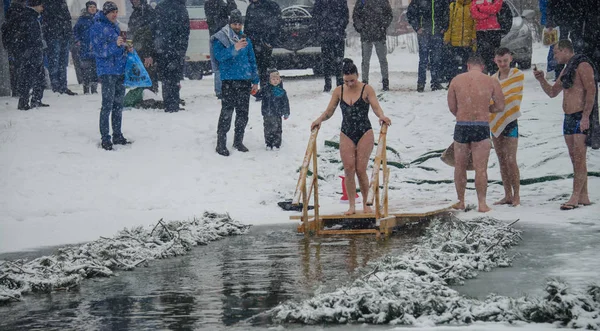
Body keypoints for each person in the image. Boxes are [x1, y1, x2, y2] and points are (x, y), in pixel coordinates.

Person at [311, 59, 392, 215]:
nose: (349, 84)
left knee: (361, 169)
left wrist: (382, 116)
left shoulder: (367, 89)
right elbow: (329, 111)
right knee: (349, 168)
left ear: (358, 75)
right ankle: (352, 206)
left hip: (365, 131)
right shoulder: (339, 91)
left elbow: (375, 106)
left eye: (352, 80)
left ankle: (366, 204)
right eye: (346, 81)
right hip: (346, 132)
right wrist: (319, 120)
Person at [533, 40, 598, 210]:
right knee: (573, 157)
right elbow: (553, 92)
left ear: (564, 50)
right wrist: (541, 80)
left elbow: (591, 90)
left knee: (579, 157)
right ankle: (583, 195)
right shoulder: (567, 68)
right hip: (568, 117)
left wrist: (586, 116)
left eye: (556, 53)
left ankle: (575, 196)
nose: (554, 56)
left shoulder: (582, 64)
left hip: (580, 116)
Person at [447, 54, 504, 212]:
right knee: (481, 169)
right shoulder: (491, 81)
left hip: (462, 125)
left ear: (468, 66)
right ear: (483, 67)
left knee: (459, 167)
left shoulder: (457, 80)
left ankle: (461, 201)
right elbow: (500, 105)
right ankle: (482, 203)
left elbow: (452, 106)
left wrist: (463, 113)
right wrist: (486, 109)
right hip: (481, 125)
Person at [212, 9, 260, 156]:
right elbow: (219, 57)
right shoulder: (221, 38)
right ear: (230, 23)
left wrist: (255, 80)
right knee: (227, 112)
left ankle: (238, 141)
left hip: (244, 80)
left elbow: (252, 61)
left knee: (243, 113)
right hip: (229, 81)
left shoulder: (247, 40)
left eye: (239, 24)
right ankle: (221, 144)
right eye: (234, 23)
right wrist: (234, 48)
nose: (237, 26)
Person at [91, 1, 132, 151]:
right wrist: (116, 44)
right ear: (106, 13)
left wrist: (126, 47)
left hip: (119, 69)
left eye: (116, 11)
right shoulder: (97, 27)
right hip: (107, 71)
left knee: (118, 105)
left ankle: (117, 134)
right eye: (112, 12)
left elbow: (116, 48)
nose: (115, 14)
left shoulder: (115, 26)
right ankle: (105, 138)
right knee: (107, 105)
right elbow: (98, 51)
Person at [491, 48, 524, 206]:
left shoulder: (517, 74)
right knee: (502, 160)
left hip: (511, 121)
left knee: (511, 159)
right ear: (495, 61)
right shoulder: (492, 79)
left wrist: (498, 104)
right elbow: (491, 99)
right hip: (495, 121)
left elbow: (512, 96)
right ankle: (507, 194)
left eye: (505, 60)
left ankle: (517, 194)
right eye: (499, 61)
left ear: (510, 58)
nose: (503, 64)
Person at [153, 0, 190, 113]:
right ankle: (173, 103)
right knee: (174, 77)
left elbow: (154, 29)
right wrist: (182, 50)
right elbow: (185, 32)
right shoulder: (181, 8)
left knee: (166, 78)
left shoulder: (160, 7)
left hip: (162, 49)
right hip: (175, 49)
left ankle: (168, 102)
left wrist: (157, 48)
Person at [407, 0, 450, 92]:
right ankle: (421, 83)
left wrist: (444, 27)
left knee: (436, 60)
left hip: (437, 33)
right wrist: (417, 27)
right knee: (424, 60)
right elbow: (410, 14)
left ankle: (435, 83)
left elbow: (446, 13)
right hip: (424, 34)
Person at [13, 0, 47, 110]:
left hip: (32, 52)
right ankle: (27, 101)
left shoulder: (30, 16)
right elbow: (32, 37)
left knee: (35, 76)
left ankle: (31, 100)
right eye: (41, 5)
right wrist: (36, 47)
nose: (43, 7)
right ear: (35, 6)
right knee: (30, 77)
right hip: (32, 52)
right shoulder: (30, 17)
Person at [352, 0, 393, 91]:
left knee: (382, 60)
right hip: (367, 34)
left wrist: (383, 26)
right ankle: (365, 82)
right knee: (366, 61)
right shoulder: (362, 1)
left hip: (379, 34)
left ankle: (385, 82)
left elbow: (389, 14)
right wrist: (360, 28)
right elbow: (356, 15)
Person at [244, 0, 281, 92]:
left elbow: (277, 24)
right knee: (258, 67)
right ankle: (261, 89)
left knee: (267, 67)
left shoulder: (271, 6)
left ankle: (269, 89)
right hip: (254, 42)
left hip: (266, 42)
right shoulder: (251, 7)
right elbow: (247, 26)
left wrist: (271, 40)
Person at [313, 0, 349, 92]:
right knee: (327, 61)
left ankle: (339, 83)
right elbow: (316, 16)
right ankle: (328, 84)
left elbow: (345, 15)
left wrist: (340, 27)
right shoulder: (321, 2)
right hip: (327, 34)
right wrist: (321, 29)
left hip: (336, 34)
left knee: (338, 60)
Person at [42, 0, 76, 95]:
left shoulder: (61, 3)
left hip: (62, 34)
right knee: (55, 61)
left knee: (62, 62)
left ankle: (62, 86)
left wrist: (68, 34)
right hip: (54, 35)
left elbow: (67, 19)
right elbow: (48, 20)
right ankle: (56, 86)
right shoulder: (50, 3)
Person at [205, 0, 237, 98]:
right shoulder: (220, 5)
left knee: (218, 65)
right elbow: (232, 11)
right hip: (222, 36)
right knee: (223, 63)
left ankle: (220, 90)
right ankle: (223, 89)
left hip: (215, 35)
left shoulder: (208, 4)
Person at [255, 68, 290, 149]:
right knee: (267, 129)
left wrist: (286, 112)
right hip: (267, 113)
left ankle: (276, 143)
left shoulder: (282, 92)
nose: (275, 81)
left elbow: (285, 103)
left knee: (277, 128)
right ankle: (268, 143)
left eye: (277, 79)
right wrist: (254, 92)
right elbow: (258, 94)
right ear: (270, 80)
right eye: (273, 79)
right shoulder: (265, 89)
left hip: (277, 113)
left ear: (280, 80)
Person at [443, 0, 476, 83]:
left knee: (467, 64)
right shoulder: (453, 6)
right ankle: (453, 82)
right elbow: (449, 24)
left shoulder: (473, 5)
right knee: (453, 64)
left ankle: (466, 82)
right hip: (454, 41)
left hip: (468, 42)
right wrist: (447, 38)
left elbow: (475, 23)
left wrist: (473, 37)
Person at [129, 0, 158, 93]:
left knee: (148, 76)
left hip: (146, 52)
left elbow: (151, 35)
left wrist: (149, 54)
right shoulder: (136, 12)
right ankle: (145, 96)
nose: (134, 1)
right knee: (142, 76)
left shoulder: (147, 11)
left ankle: (150, 97)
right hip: (138, 51)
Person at [470, 0, 503, 74]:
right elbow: (474, 14)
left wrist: (481, 8)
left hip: (494, 30)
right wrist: (488, 14)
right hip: (480, 31)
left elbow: (495, 8)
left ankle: (494, 77)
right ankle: (485, 79)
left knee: (494, 57)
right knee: (483, 57)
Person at [2, 0, 26, 97]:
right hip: (18, 44)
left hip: (13, 44)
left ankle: (17, 89)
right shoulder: (19, 12)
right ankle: (18, 89)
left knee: (16, 67)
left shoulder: (11, 11)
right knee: (19, 67)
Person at [73, 1, 98, 94]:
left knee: (95, 69)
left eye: (94, 7)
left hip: (96, 48)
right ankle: (86, 88)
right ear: (87, 8)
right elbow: (75, 31)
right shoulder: (82, 19)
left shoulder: (98, 19)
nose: (92, 9)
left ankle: (94, 88)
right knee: (86, 69)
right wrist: (78, 41)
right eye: (90, 7)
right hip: (85, 47)